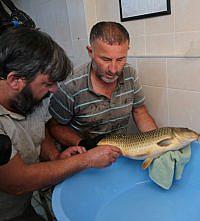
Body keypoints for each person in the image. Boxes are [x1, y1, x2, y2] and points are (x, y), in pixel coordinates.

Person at [0, 28, 122, 221]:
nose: (55, 90)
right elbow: (17, 182)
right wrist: (87, 159)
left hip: (23, 205)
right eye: (47, 84)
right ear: (14, 80)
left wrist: (55, 156)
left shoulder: (30, 95)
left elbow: (42, 127)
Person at [48, 21, 157, 149]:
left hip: (117, 153)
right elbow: (54, 126)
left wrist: (157, 144)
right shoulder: (71, 86)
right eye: (106, 59)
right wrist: (82, 144)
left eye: (120, 59)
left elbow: (140, 112)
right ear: (90, 52)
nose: (113, 69)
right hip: (84, 157)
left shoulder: (130, 74)